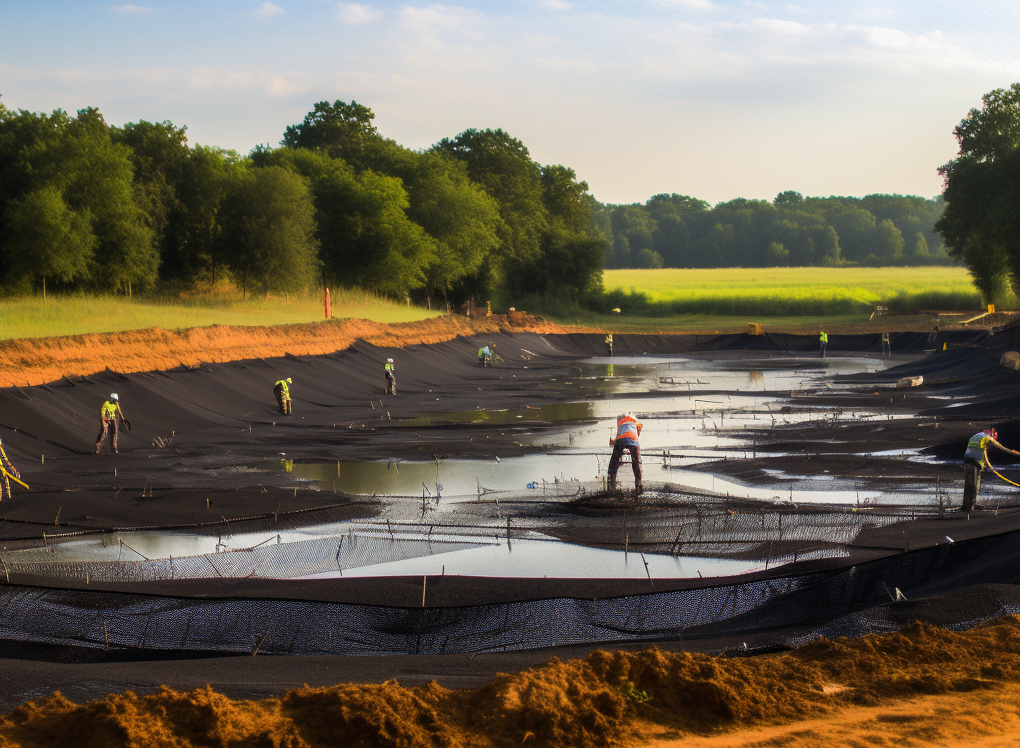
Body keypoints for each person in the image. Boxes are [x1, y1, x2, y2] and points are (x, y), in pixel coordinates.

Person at [962, 428, 1020, 511]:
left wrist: (985, 464)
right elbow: (1003, 449)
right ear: (992, 433)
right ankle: (968, 506)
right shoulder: (987, 438)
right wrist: (1016, 453)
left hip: (968, 461)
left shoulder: (977, 436)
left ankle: (970, 504)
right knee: (973, 485)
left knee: (971, 484)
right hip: (974, 462)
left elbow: (979, 451)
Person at [608, 412, 643, 494]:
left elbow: (617, 438)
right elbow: (637, 437)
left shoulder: (621, 423)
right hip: (633, 440)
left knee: (614, 461)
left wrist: (618, 453)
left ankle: (611, 484)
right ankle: (639, 486)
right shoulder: (636, 423)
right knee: (636, 463)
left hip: (621, 440)